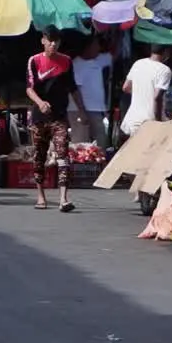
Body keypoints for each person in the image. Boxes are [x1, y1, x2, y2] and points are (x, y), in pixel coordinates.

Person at [26, 27, 86, 212]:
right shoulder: (34, 61)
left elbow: (73, 88)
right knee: (39, 156)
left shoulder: (66, 61)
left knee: (62, 155)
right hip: (39, 117)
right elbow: (29, 88)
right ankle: (41, 196)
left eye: (56, 40)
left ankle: (63, 199)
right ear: (43, 41)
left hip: (60, 116)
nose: (53, 44)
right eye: (50, 40)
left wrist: (82, 110)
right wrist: (40, 102)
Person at [120, 44, 172, 138]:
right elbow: (157, 97)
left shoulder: (138, 63)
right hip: (148, 123)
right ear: (166, 52)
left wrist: (142, 93)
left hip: (133, 120)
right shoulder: (165, 70)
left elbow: (126, 87)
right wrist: (158, 122)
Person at [70, 37, 113, 149]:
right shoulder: (76, 64)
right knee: (80, 144)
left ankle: (101, 166)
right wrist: (81, 111)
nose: (99, 48)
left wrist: (117, 32)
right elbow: (75, 90)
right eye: (96, 45)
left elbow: (114, 55)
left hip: (96, 110)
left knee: (101, 143)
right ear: (87, 47)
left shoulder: (98, 60)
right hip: (79, 110)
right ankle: (80, 167)